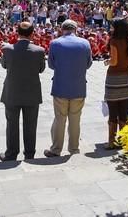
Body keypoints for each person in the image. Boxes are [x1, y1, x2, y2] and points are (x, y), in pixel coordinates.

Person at [44, 19, 93, 157]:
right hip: (78, 87)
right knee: (75, 120)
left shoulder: (55, 43)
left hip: (60, 86)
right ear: (75, 29)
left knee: (60, 119)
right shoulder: (85, 43)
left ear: (62, 29)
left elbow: (51, 65)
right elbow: (88, 64)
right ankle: (74, 149)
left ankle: (56, 149)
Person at [0, 22, 46, 161]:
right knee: (31, 124)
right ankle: (30, 153)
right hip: (32, 92)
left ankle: (11, 153)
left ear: (17, 33)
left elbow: (3, 65)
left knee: (11, 124)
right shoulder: (39, 50)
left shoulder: (8, 49)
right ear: (32, 33)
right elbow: (41, 69)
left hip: (12, 92)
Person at [103, 18, 128, 149]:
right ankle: (124, 139)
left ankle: (111, 141)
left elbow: (114, 61)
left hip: (114, 77)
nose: (111, 29)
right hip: (126, 76)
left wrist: (107, 62)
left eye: (112, 27)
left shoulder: (114, 41)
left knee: (112, 109)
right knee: (123, 110)